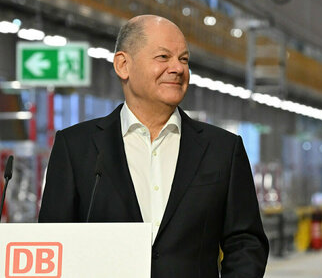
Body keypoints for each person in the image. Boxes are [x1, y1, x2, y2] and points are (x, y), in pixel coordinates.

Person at [39, 15, 269, 277]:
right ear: (123, 65)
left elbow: (246, 243)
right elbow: (53, 244)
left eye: (183, 59)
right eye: (163, 57)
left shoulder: (223, 150)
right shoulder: (75, 147)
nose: (178, 68)